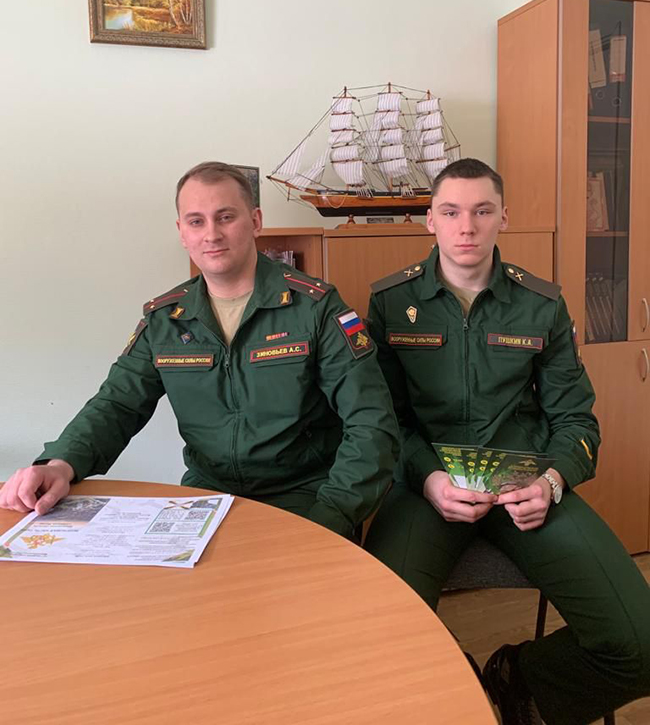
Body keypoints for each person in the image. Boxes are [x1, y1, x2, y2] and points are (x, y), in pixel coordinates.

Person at [364, 158, 650, 725]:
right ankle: (460, 687)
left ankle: (519, 682)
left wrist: (552, 481)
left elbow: (577, 421)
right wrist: (427, 477)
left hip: (524, 484)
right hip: (427, 487)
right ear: (430, 220)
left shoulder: (540, 303)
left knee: (641, 643)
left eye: (482, 211)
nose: (466, 227)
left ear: (503, 217)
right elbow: (382, 419)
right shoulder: (391, 302)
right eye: (451, 212)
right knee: (377, 635)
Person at [0, 162, 399, 540]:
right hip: (208, 496)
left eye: (226, 217)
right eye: (196, 221)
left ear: (255, 221)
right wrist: (60, 464)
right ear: (182, 232)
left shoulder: (315, 308)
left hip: (304, 496)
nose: (212, 234)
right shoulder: (165, 319)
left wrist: (331, 515)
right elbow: (116, 405)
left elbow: (371, 422)